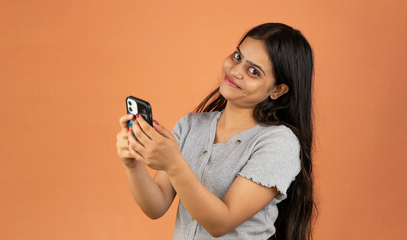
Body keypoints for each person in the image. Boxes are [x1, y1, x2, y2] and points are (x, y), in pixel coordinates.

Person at [116, 22, 316, 240]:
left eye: (253, 71)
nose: (235, 70)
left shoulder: (279, 143)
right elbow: (156, 206)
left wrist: (173, 164)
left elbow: (221, 222)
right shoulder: (191, 125)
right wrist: (132, 163)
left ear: (278, 90)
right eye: (238, 57)